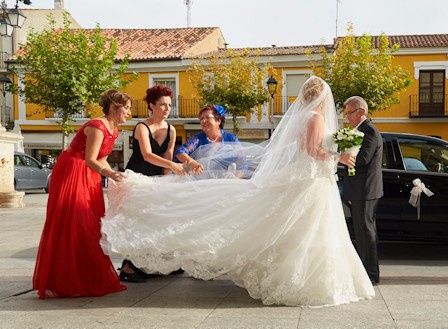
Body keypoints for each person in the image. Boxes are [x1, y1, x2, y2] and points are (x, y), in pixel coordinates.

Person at [101, 76, 374, 307]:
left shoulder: (306, 116)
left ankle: (300, 277)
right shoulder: (314, 117)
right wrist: (339, 156)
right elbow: (312, 150)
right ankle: (302, 280)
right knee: (306, 229)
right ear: (322, 97)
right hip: (309, 181)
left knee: (306, 229)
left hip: (313, 180)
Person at [33, 89, 131, 299]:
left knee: (90, 223)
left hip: (90, 175)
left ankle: (84, 277)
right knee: (75, 221)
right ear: (114, 108)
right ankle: (65, 280)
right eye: (127, 108)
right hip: (73, 172)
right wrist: (110, 174)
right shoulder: (97, 126)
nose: (129, 112)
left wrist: (116, 174)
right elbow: (90, 159)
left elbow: (101, 158)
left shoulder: (113, 129)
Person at [119, 84, 186, 282]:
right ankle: (128, 267)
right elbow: (148, 155)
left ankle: (161, 264)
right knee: (138, 223)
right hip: (137, 180)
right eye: (163, 105)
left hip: (157, 181)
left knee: (159, 221)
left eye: (169, 105)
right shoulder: (142, 127)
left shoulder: (172, 129)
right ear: (151, 105)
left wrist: (167, 184)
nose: (167, 109)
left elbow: (168, 155)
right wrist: (174, 166)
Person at [341, 96, 383, 285]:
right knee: (362, 232)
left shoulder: (370, 131)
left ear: (361, 112)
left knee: (366, 233)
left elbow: (363, 160)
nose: (347, 117)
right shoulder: (359, 131)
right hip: (358, 191)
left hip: (366, 192)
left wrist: (343, 155)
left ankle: (371, 275)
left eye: (349, 112)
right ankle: (365, 272)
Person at [173, 104, 239, 173]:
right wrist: (192, 162)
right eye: (201, 119)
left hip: (227, 181)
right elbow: (180, 152)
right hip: (203, 181)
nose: (203, 121)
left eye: (208, 117)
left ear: (219, 121)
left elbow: (241, 161)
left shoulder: (231, 139)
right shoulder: (197, 140)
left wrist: (238, 177)